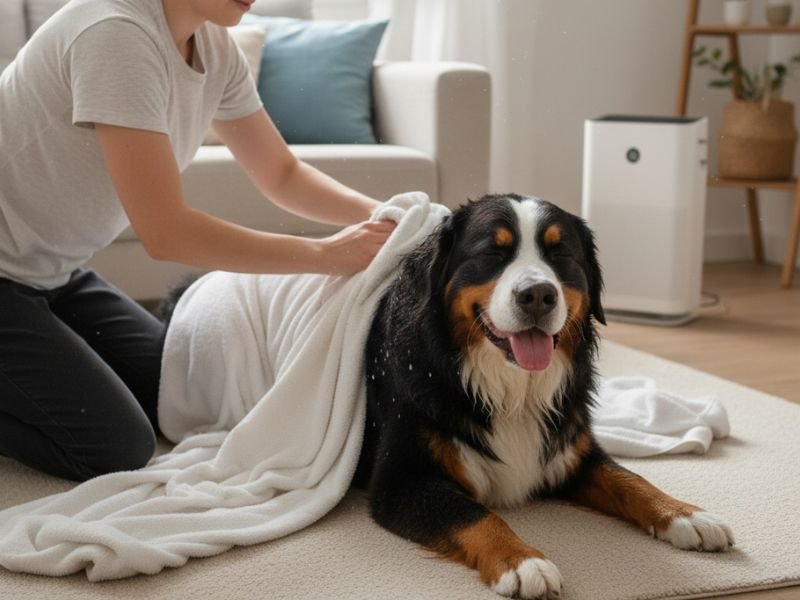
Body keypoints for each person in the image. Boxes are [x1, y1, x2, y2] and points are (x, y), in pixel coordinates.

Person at [0, 0, 396, 482]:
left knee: (176, 393)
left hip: (51, 273)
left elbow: (281, 173)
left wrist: (387, 215)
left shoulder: (213, 46)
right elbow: (166, 232)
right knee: (114, 443)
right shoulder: (113, 35)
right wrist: (323, 255)